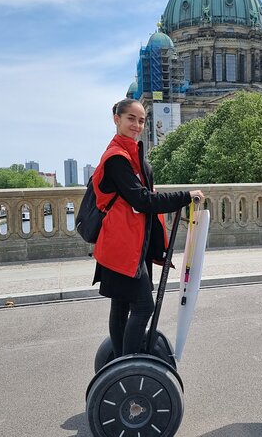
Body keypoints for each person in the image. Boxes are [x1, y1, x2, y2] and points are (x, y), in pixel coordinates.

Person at [92, 98, 204, 357]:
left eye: (141, 120)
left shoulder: (129, 155)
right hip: (122, 247)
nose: (137, 125)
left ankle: (120, 362)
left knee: (121, 306)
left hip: (128, 244)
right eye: (131, 118)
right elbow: (142, 200)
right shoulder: (116, 159)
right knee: (143, 306)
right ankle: (129, 366)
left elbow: (141, 196)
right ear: (116, 119)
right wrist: (186, 196)